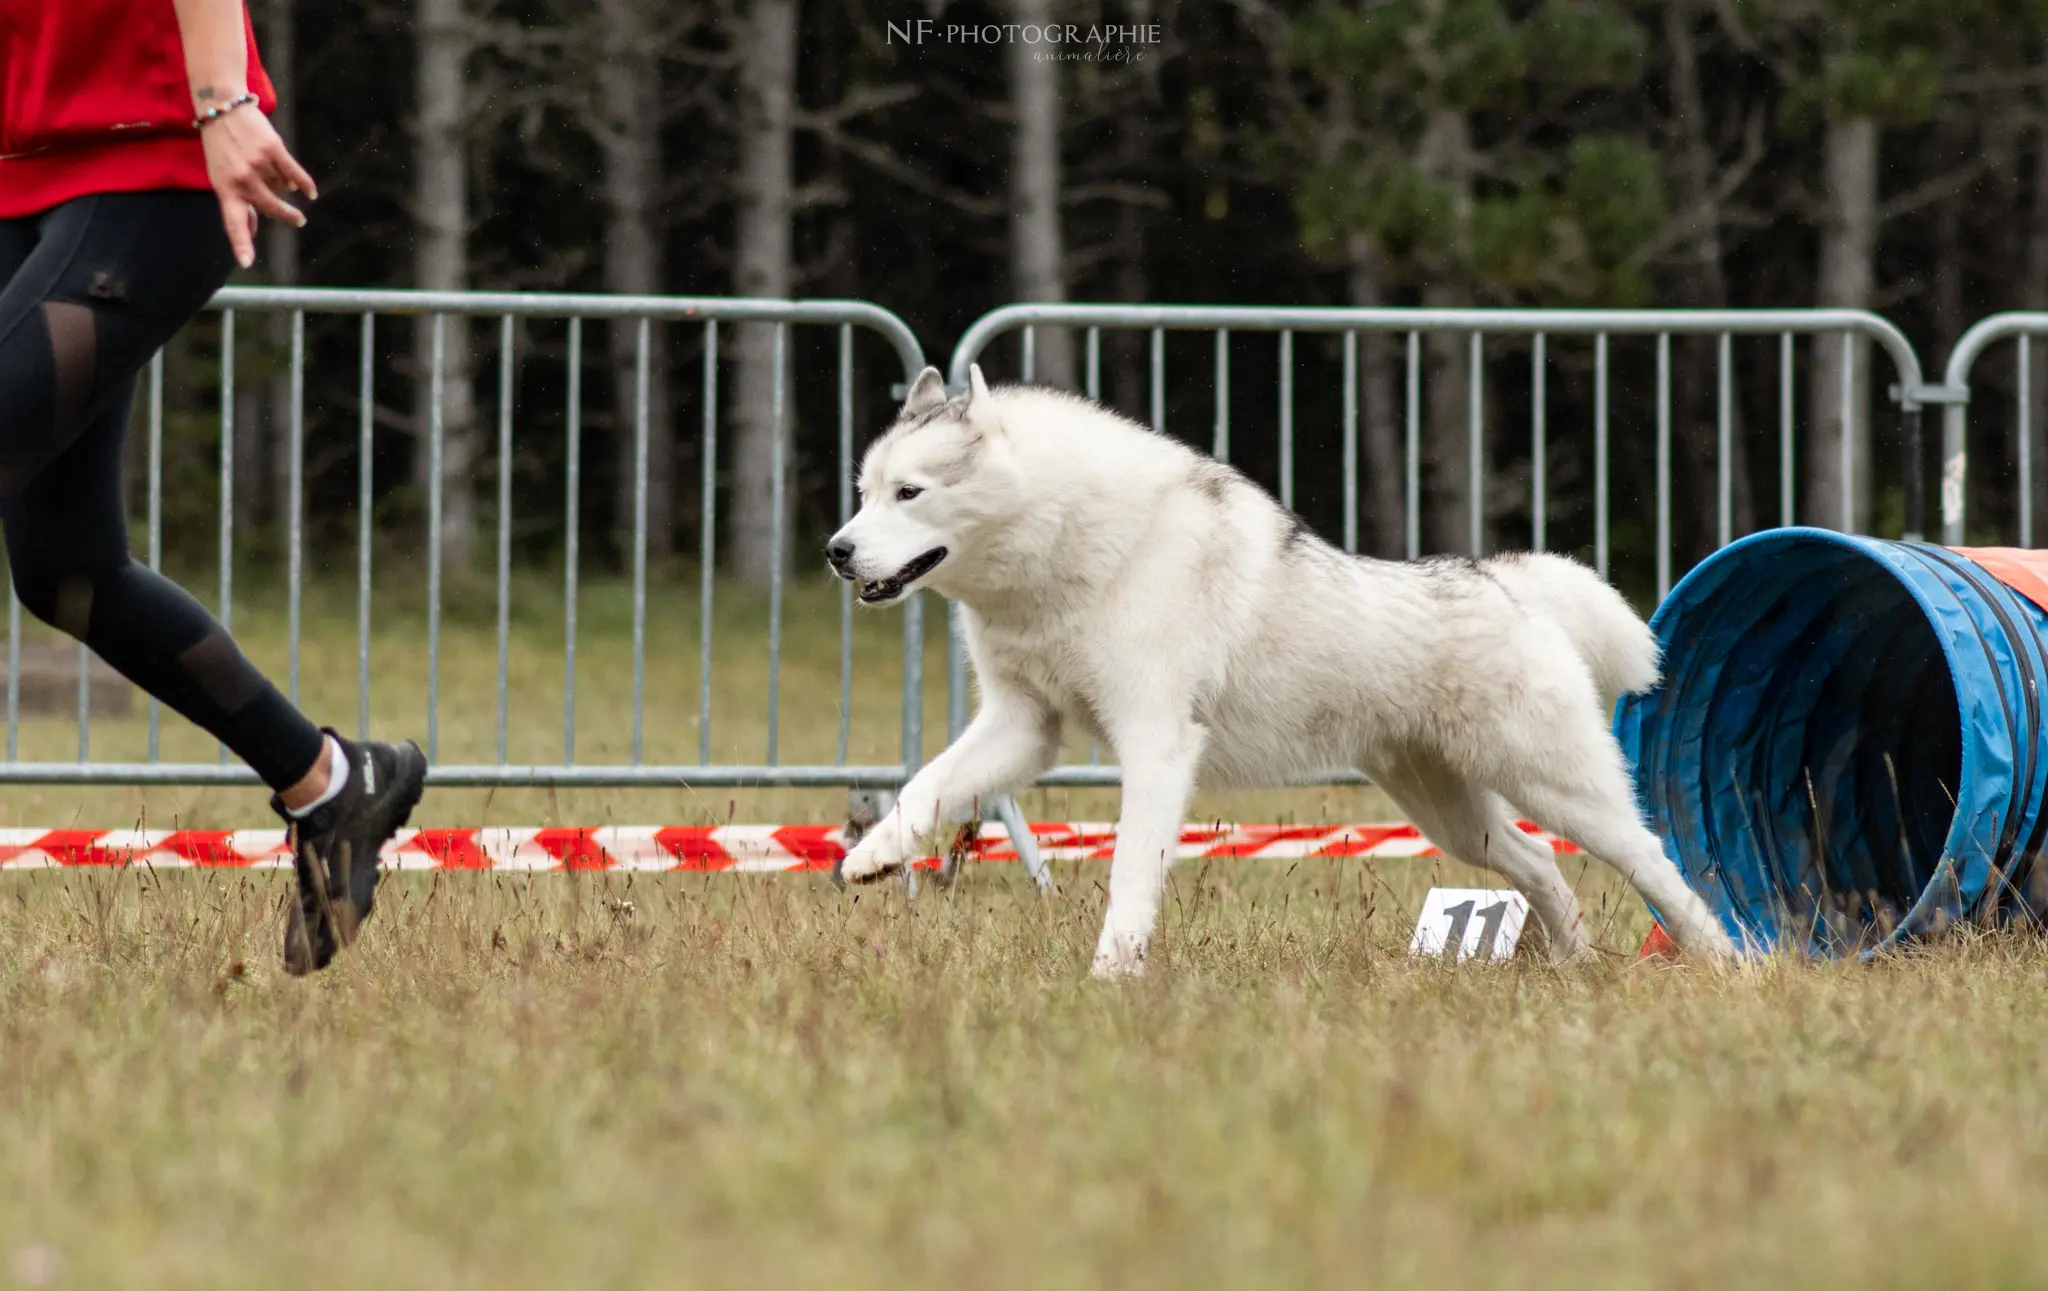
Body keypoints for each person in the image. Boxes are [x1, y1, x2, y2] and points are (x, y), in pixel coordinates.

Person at [0, 0, 426, 974]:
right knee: (66, 568)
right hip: (23, 164)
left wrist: (221, 97)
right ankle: (332, 787)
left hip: (150, 153)